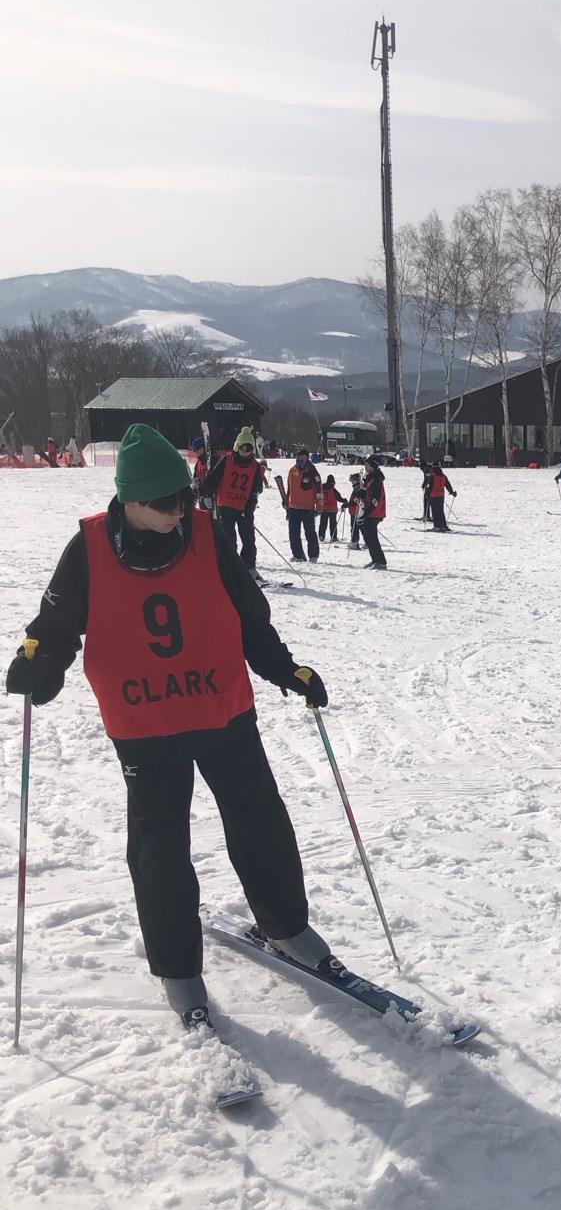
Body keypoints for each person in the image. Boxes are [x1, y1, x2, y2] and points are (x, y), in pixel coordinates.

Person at [3, 423, 350, 1026]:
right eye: (165, 503)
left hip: (223, 711)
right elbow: (54, 631)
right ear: (128, 500)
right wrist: (38, 666)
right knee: (161, 846)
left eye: (186, 497)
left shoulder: (207, 535)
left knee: (261, 819)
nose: (179, 511)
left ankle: (287, 926)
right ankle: (178, 969)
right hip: (145, 726)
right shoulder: (86, 549)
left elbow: (250, 620)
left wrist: (284, 670)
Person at [200, 426, 266, 581]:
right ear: (237, 447)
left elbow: (256, 489)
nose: (246, 453)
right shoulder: (227, 460)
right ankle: (230, 569)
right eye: (243, 449)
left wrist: (249, 508)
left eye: (249, 450)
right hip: (226, 506)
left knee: (249, 541)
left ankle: (249, 568)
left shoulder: (255, 466)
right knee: (229, 541)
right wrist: (204, 492)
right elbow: (213, 480)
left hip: (244, 508)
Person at [284, 446, 321, 561]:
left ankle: (313, 555)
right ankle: (298, 555)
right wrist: (286, 501)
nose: (298, 459)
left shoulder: (312, 472)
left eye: (301, 457)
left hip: (307, 507)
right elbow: (289, 488)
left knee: (310, 532)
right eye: (297, 457)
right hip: (293, 507)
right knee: (293, 533)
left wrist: (319, 506)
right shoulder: (292, 470)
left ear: (306, 458)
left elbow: (319, 490)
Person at [360, 454, 387, 569]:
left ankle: (380, 561)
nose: (365, 466)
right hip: (369, 511)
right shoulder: (370, 477)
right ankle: (375, 559)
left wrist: (367, 512)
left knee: (371, 537)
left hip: (374, 512)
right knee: (368, 536)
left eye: (367, 464)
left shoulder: (376, 479)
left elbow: (376, 498)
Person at [427, 464, 456, 532]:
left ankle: (437, 526)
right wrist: (452, 492)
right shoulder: (444, 476)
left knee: (435, 511)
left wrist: (427, 494)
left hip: (433, 496)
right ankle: (443, 525)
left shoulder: (432, 476)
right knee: (440, 511)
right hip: (441, 495)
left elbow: (429, 486)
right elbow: (448, 485)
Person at [318, 474, 346, 542]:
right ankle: (333, 536)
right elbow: (338, 497)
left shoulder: (322, 488)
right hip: (332, 509)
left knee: (323, 523)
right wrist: (344, 501)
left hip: (323, 508)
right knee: (333, 524)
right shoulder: (333, 489)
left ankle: (321, 536)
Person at [347, 472, 364, 550]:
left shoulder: (358, 489)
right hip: (354, 510)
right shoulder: (356, 488)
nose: (352, 482)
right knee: (355, 527)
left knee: (355, 528)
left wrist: (349, 504)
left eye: (353, 480)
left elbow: (357, 500)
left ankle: (354, 542)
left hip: (356, 510)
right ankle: (355, 541)